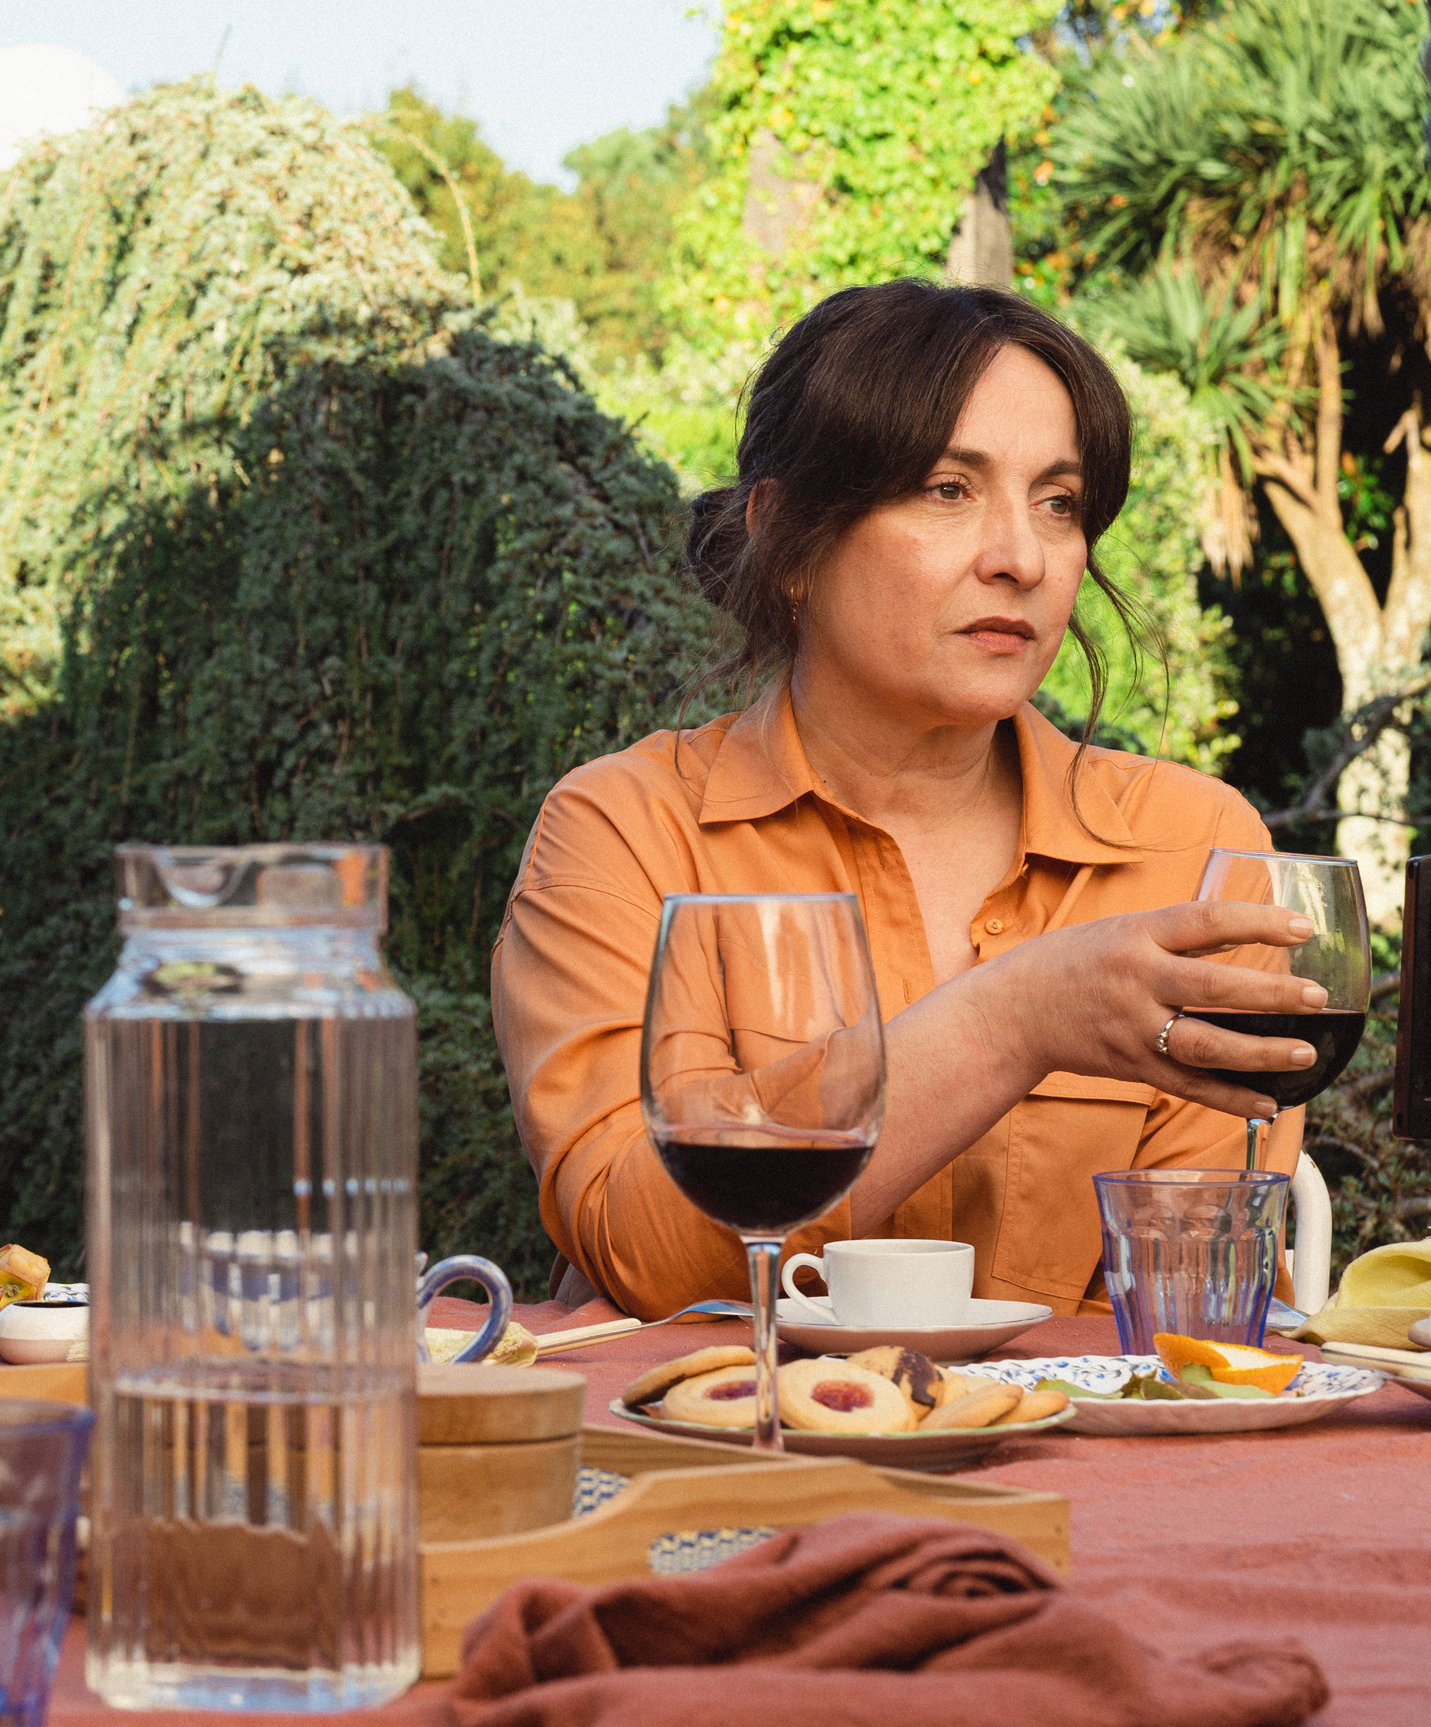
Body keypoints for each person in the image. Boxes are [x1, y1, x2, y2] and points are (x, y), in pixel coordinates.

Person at [493, 281, 1323, 1321]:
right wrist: (1012, 1021)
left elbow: (1192, 1324)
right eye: (947, 489)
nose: (1020, 557)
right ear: (786, 536)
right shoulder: (628, 831)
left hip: (1073, 1432)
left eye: (1059, 503)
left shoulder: (1194, 848)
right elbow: (641, 1251)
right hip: (739, 1426)